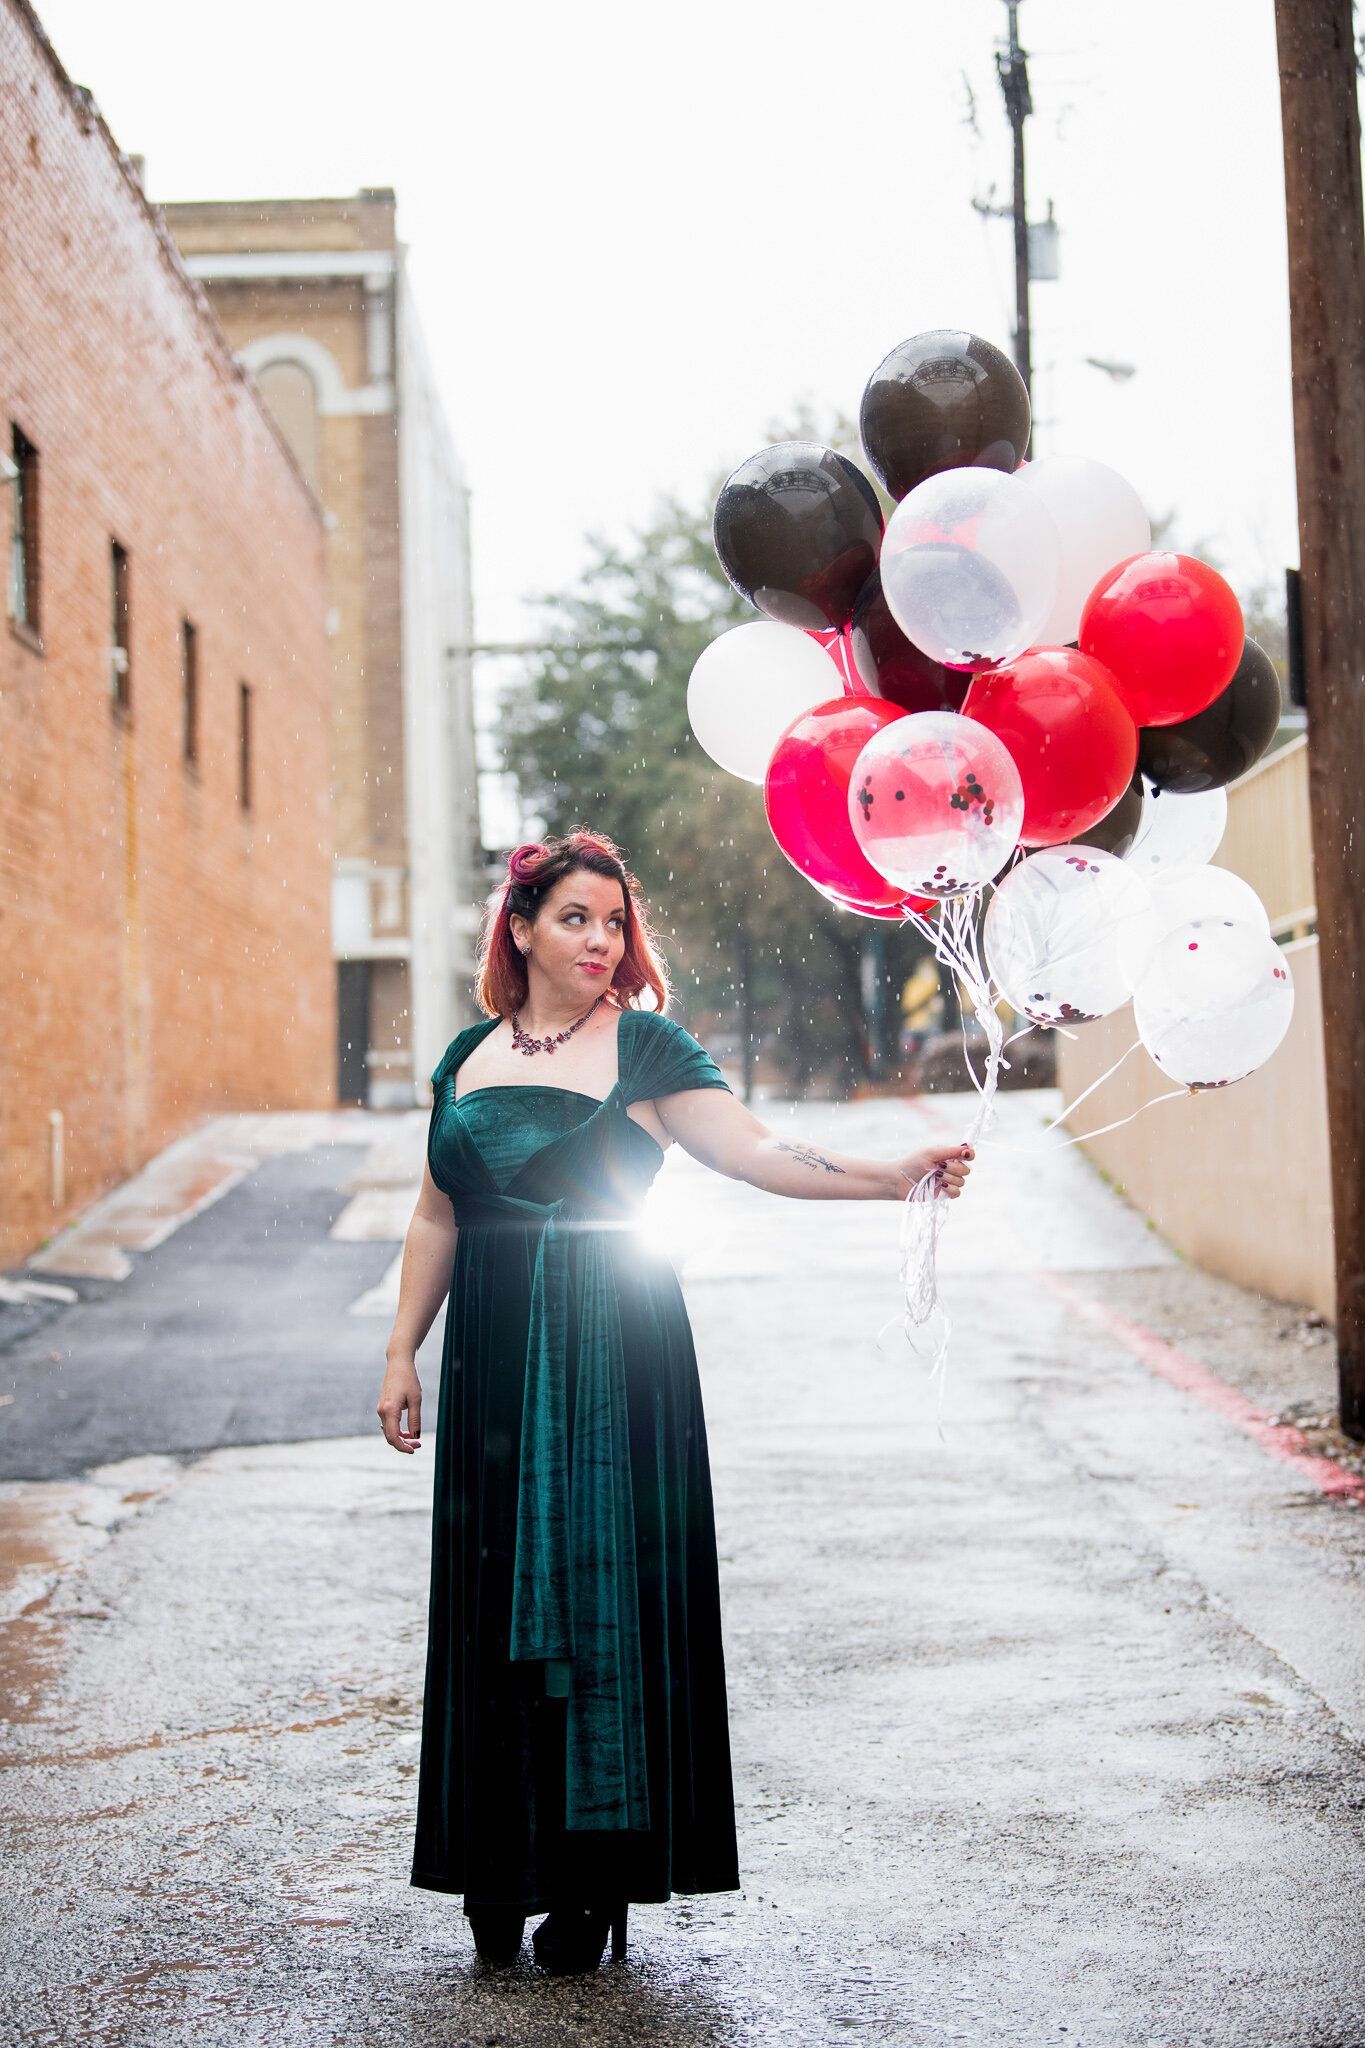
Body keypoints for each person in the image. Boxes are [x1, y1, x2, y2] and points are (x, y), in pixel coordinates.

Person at [377, 830, 972, 1976]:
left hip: (616, 1359)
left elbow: (756, 1152)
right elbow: (437, 1216)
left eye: (614, 922)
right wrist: (402, 1349)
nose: (600, 941)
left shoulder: (646, 1048)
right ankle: (499, 1859)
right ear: (520, 928)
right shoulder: (463, 1057)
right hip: (492, 1362)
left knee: (607, 1604)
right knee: (491, 1597)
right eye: (575, 919)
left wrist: (888, 1175)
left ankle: (595, 1879)